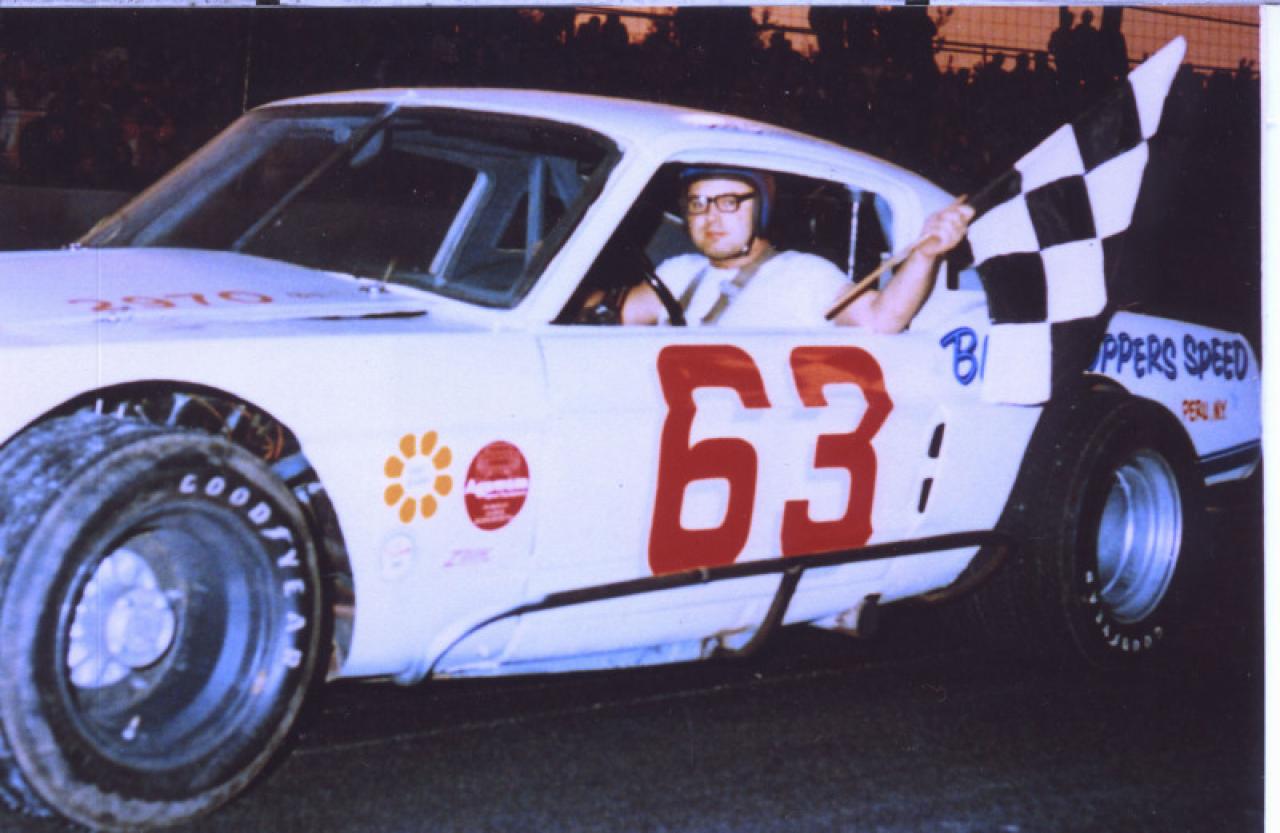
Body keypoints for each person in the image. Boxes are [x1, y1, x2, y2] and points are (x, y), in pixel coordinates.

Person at [620, 167, 973, 333]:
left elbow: (882, 319)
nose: (710, 216)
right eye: (698, 203)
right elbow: (611, 316)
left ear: (760, 208)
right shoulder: (677, 271)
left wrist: (925, 254)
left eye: (728, 202)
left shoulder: (802, 274)